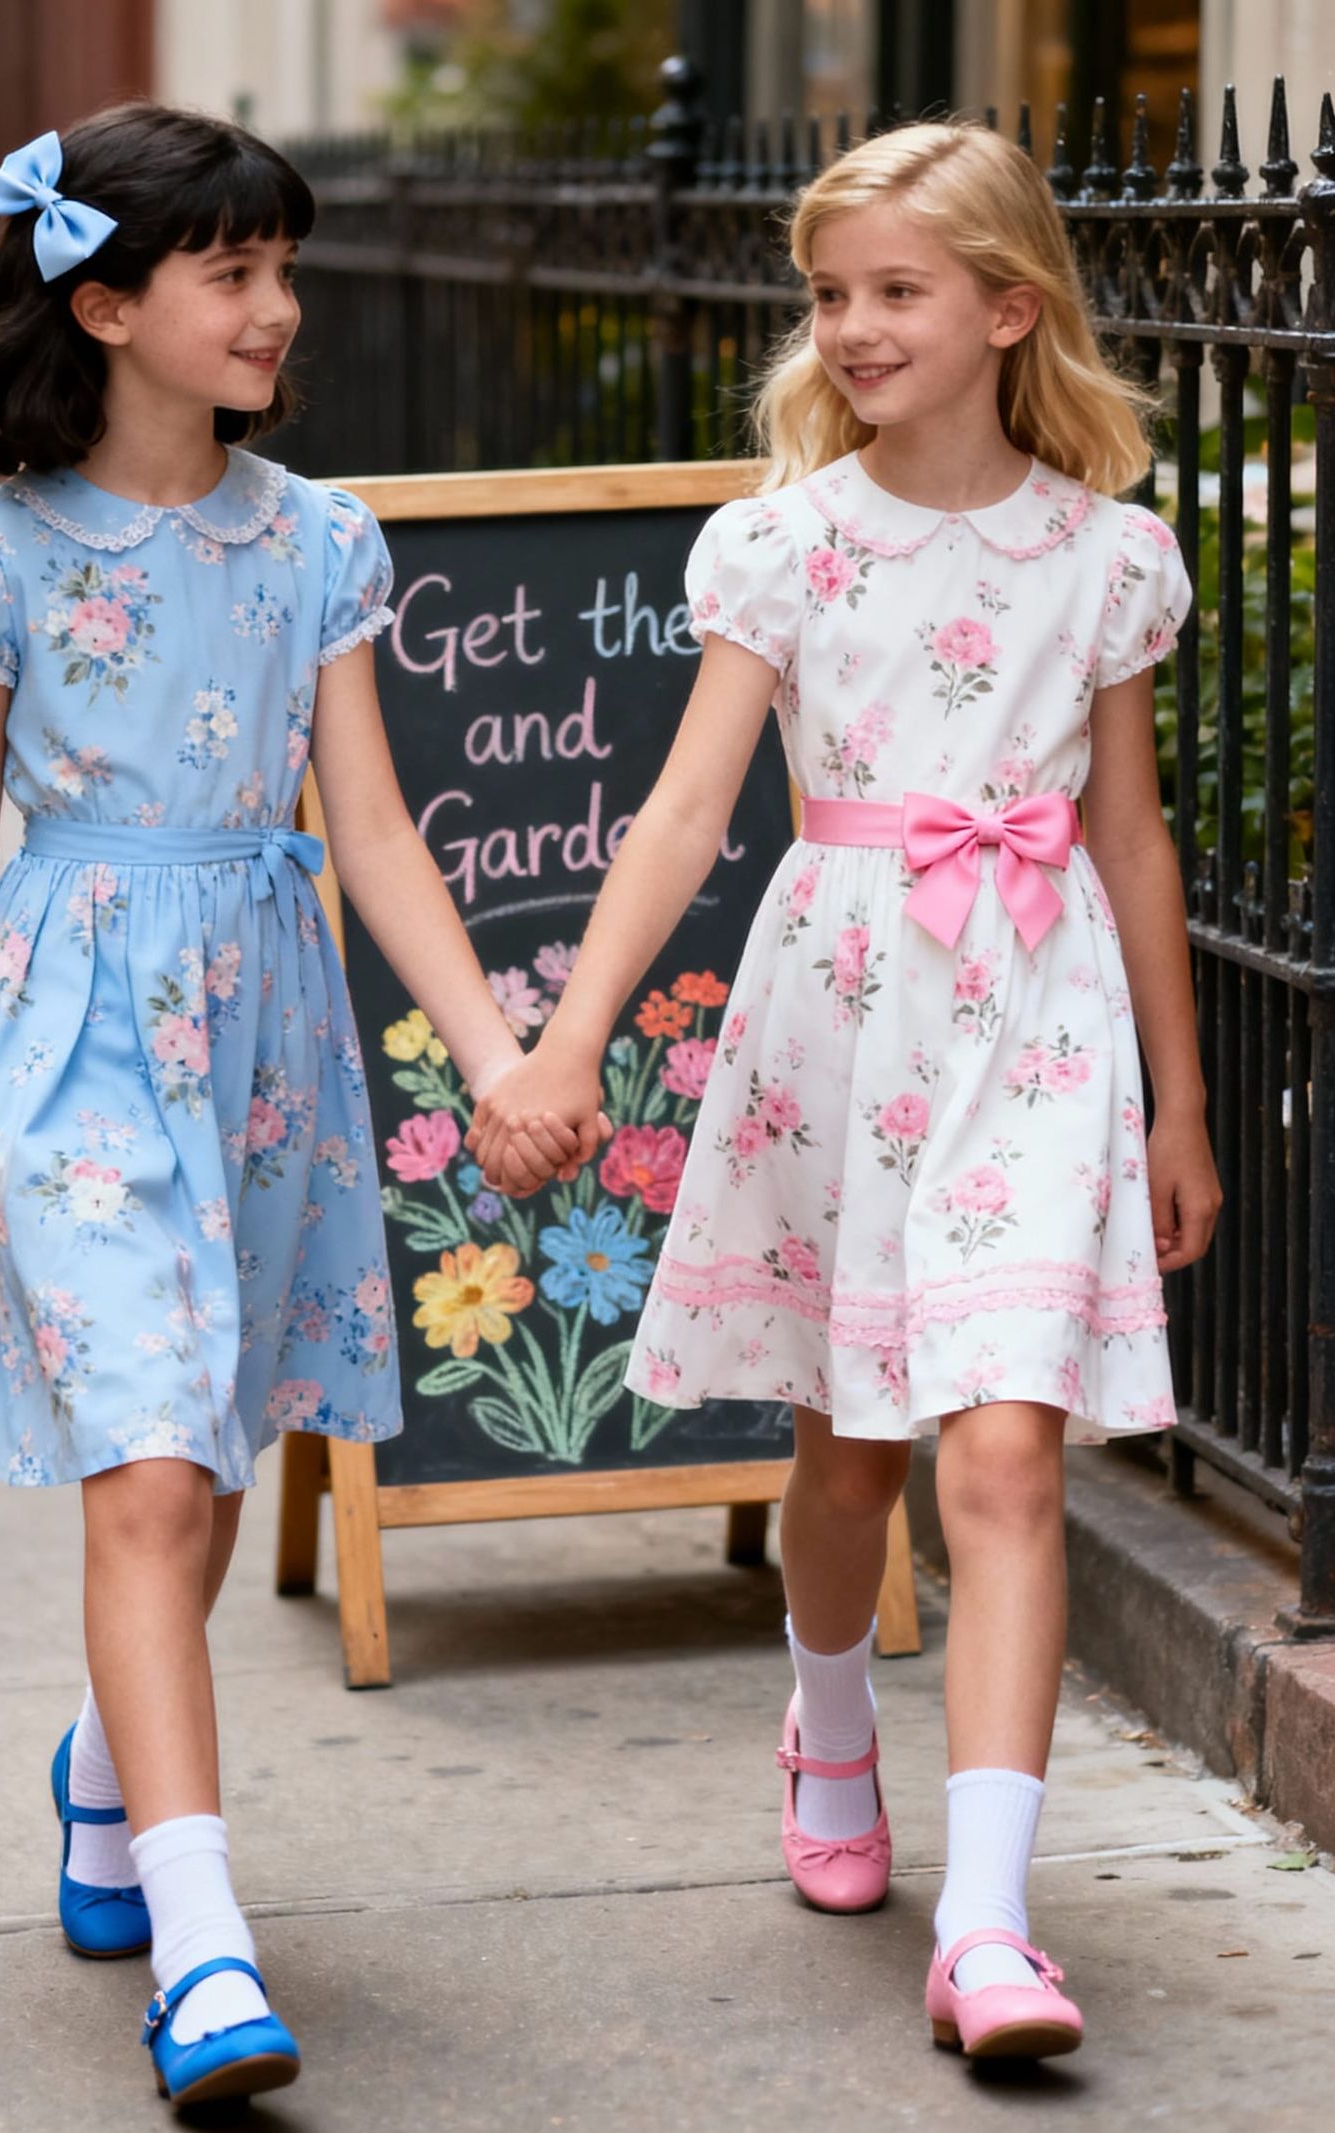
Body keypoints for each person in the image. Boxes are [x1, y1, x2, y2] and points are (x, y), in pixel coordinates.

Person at [469, 121, 1220, 2063]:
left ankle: (983, 1924)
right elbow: (685, 811)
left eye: (895, 290)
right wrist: (562, 1038)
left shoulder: (1110, 557)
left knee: (1002, 1458)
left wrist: (1178, 1100)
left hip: (1038, 1017)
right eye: (830, 295)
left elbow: (1129, 839)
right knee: (848, 1459)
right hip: (845, 1024)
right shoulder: (784, 541)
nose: (853, 326)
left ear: (1003, 306)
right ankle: (823, 1707)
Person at [0, 103, 591, 2111]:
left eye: (283, 271)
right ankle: (204, 1945)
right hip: (69, 1032)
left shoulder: (319, 542)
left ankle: (107, 1774)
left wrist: (485, 1040)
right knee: (144, 1455)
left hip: (262, 1032)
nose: (277, 308)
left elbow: (368, 823)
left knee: (194, 1437)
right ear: (102, 303)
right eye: (233, 273)